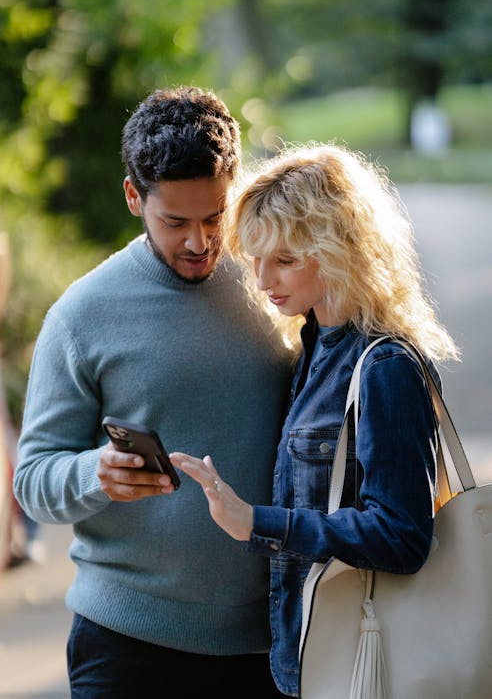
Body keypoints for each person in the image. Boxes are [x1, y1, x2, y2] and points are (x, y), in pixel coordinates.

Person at [13, 86, 293, 698]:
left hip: (267, 644)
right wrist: (96, 474)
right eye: (176, 222)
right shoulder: (81, 315)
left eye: (215, 216)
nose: (200, 242)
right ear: (133, 197)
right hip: (126, 647)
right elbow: (32, 481)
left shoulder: (274, 286)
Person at [170, 142, 460, 697]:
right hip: (307, 655)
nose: (261, 280)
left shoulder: (383, 366)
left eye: (284, 259)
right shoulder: (313, 350)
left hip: (362, 662)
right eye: (255, 257)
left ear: (337, 250)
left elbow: (402, 536)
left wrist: (259, 522)